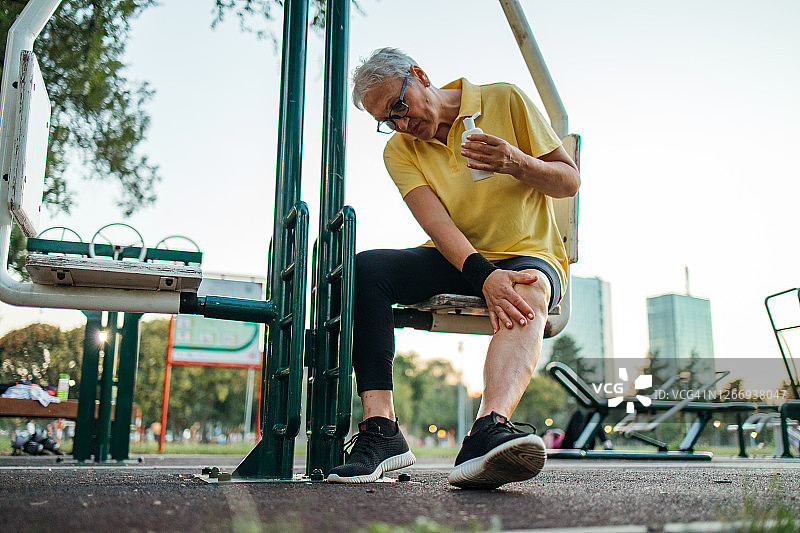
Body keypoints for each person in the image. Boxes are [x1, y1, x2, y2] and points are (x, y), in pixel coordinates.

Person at [326, 48, 580, 489]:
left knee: (529, 288)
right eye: (388, 119)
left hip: (527, 251)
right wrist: (484, 276)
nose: (401, 124)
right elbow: (437, 225)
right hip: (461, 257)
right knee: (366, 269)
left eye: (399, 106)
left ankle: (488, 428)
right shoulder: (399, 151)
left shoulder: (504, 99)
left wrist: (516, 162)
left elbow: (569, 180)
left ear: (420, 75)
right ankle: (381, 430)